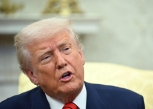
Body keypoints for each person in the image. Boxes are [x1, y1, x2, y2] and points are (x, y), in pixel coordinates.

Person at [0, 17, 145, 109]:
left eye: (66, 49)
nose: (61, 62)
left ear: (81, 55)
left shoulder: (129, 104)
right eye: (46, 57)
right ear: (32, 75)